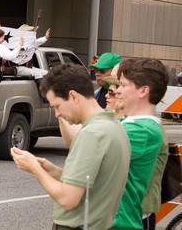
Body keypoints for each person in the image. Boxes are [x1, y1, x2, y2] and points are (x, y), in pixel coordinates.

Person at [11, 63, 130, 230]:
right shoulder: (115, 126)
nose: (57, 113)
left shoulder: (91, 134)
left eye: (57, 106)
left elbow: (68, 199)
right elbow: (92, 183)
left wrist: (34, 169)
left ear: (73, 96)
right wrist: (52, 170)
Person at [111, 58, 169, 230]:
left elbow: (89, 143)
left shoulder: (143, 129)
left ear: (143, 91)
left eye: (122, 85)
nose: (116, 91)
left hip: (133, 217)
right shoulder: (134, 123)